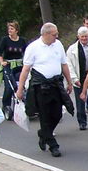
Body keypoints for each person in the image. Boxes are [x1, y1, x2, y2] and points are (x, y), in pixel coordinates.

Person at [16, 22, 74, 158]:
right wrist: (20, 89)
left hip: (55, 84)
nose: (57, 36)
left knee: (57, 114)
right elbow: (25, 70)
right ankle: (53, 145)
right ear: (46, 34)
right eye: (54, 34)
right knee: (44, 115)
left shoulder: (58, 45)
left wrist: (69, 82)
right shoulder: (33, 47)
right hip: (40, 86)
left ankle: (43, 134)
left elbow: (64, 64)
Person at [67, 26, 88, 131]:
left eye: (86, 37)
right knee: (80, 100)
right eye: (82, 37)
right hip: (79, 76)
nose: (84, 39)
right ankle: (82, 122)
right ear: (78, 36)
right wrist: (74, 79)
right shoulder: (71, 49)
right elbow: (69, 65)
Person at [0, 21, 28, 120]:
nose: (9, 31)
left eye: (12, 29)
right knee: (9, 87)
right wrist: (2, 62)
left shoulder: (22, 40)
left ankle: (25, 103)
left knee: (23, 85)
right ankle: (6, 106)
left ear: (16, 30)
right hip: (8, 65)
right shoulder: (5, 40)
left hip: (20, 65)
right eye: (9, 29)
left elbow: (26, 52)